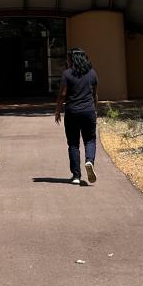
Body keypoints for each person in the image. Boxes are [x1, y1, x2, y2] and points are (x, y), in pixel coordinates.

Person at [54, 47, 98, 185]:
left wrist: (57, 110)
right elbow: (95, 94)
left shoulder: (67, 74)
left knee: (73, 144)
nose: (66, 61)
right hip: (88, 111)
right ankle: (89, 161)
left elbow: (62, 94)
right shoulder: (92, 73)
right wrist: (94, 110)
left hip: (72, 112)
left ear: (72, 59)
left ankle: (76, 176)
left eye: (68, 58)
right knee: (90, 140)